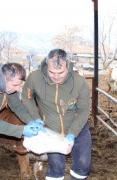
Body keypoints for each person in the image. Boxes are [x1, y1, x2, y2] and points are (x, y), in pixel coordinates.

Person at [21, 49, 92, 180]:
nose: (56, 76)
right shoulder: (35, 78)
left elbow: (84, 110)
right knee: (56, 166)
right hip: (52, 129)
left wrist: (73, 133)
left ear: (68, 66)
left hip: (78, 127)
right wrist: (36, 118)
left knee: (83, 164)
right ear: (46, 65)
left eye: (61, 72)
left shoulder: (79, 82)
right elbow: (27, 97)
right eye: (52, 72)